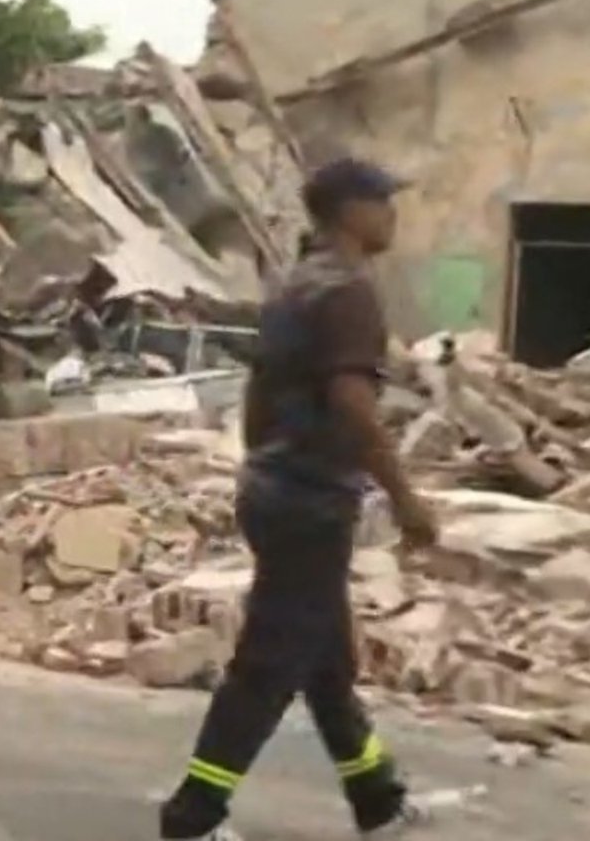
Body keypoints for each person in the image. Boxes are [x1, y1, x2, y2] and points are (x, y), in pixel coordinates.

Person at [158, 158, 448, 840]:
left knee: (326, 663)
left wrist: (263, 466)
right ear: (349, 211)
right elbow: (353, 405)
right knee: (267, 667)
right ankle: (192, 818)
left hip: (278, 491)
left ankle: (378, 802)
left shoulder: (295, 284)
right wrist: (406, 499)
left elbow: (258, 394)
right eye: (383, 200)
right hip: (311, 501)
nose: (393, 213)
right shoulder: (347, 291)